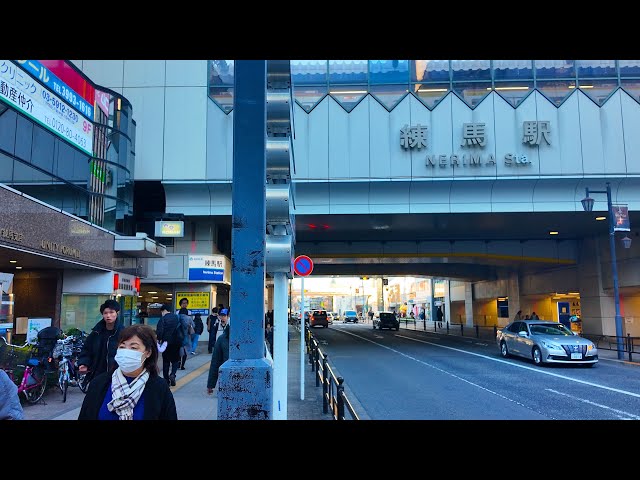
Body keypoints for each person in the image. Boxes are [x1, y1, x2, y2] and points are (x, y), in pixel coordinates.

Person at [78, 324, 177, 420]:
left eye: (133, 348)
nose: (126, 351)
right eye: (122, 347)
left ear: (148, 352)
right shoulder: (99, 383)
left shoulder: (159, 387)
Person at [77, 299, 124, 384]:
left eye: (111, 312)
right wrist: (84, 363)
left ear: (117, 313)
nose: (108, 315)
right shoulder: (96, 332)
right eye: (105, 313)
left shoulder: (123, 333)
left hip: (117, 374)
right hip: (97, 373)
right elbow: (86, 350)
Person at [155, 303, 182, 386]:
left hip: (166, 342)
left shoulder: (163, 319)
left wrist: (159, 339)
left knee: (166, 361)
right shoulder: (176, 317)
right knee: (175, 360)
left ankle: (166, 380)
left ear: (163, 311)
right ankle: (173, 374)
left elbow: (160, 331)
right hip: (177, 342)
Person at [206, 309, 230, 395]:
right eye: (221, 315)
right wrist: (211, 384)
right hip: (225, 382)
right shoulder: (218, 327)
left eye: (224, 315)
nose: (223, 317)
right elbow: (215, 363)